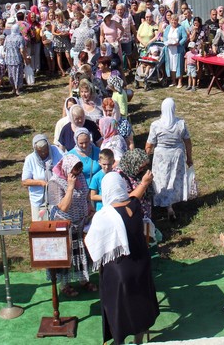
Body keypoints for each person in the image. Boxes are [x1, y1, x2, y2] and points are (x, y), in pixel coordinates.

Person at [85, 172, 160, 344]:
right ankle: (138, 341)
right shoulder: (135, 206)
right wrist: (144, 182)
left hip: (117, 273)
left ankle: (119, 341)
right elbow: (135, 196)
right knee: (140, 307)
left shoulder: (103, 217)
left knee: (117, 311)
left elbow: (93, 244)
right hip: (141, 267)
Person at [47, 155, 97, 296]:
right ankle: (64, 285)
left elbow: (85, 194)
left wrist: (89, 206)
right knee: (66, 256)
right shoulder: (54, 182)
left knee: (82, 254)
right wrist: (70, 187)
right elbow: (63, 207)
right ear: (67, 168)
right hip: (64, 225)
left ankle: (83, 279)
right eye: (75, 170)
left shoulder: (79, 176)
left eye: (80, 170)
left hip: (81, 222)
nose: (78, 173)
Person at [145, 98, 193, 221]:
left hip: (161, 156)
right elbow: (187, 141)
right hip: (177, 155)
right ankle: (172, 202)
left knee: (162, 179)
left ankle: (164, 202)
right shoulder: (180, 123)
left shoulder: (156, 125)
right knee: (174, 178)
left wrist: (146, 158)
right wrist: (189, 157)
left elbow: (149, 144)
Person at [21, 134, 62, 222]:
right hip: (39, 200)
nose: (43, 153)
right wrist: (41, 183)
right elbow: (24, 182)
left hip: (57, 196)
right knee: (40, 224)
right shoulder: (30, 159)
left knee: (57, 223)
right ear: (35, 149)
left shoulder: (56, 151)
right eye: (40, 151)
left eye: (45, 150)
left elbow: (66, 164)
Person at [163, 14, 188, 88]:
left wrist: (179, 43)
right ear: (170, 20)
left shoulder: (181, 28)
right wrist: (166, 42)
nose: (174, 22)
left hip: (178, 49)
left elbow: (185, 37)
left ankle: (180, 82)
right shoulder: (168, 28)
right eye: (172, 20)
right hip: (169, 49)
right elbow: (164, 37)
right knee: (171, 65)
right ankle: (173, 81)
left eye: (175, 20)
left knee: (178, 65)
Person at [4, 24, 26, 96]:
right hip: (17, 58)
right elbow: (22, 50)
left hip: (9, 58)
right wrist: (25, 58)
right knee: (17, 74)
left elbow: (4, 47)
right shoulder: (20, 38)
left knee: (11, 74)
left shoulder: (7, 37)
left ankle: (13, 88)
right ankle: (17, 90)